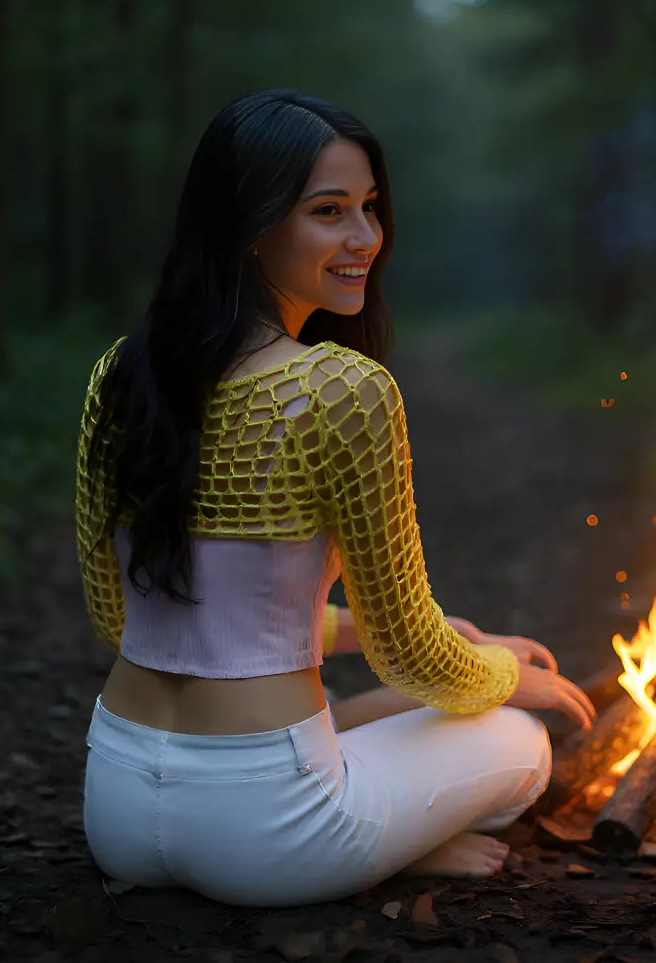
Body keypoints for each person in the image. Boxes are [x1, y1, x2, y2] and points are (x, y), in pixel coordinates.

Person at [76, 89, 595, 908]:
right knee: (521, 743)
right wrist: (504, 677)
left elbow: (128, 618)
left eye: (370, 209)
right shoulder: (340, 389)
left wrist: (366, 633)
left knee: (378, 707)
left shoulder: (121, 374)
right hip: (270, 831)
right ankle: (391, 846)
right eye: (330, 212)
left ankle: (373, 826)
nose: (366, 240)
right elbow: (411, 651)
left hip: (117, 803)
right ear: (251, 226)